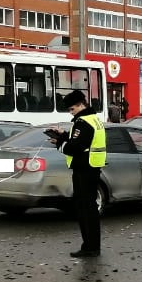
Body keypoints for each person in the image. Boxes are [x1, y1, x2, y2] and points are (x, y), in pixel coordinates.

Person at [45, 90, 106, 258]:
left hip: (84, 169)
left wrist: (59, 143)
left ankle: (90, 247)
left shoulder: (83, 122)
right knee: (90, 208)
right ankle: (92, 246)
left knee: (85, 209)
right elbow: (82, 141)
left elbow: (74, 148)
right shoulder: (94, 119)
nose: (71, 112)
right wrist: (63, 135)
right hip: (92, 167)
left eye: (72, 109)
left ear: (81, 105)